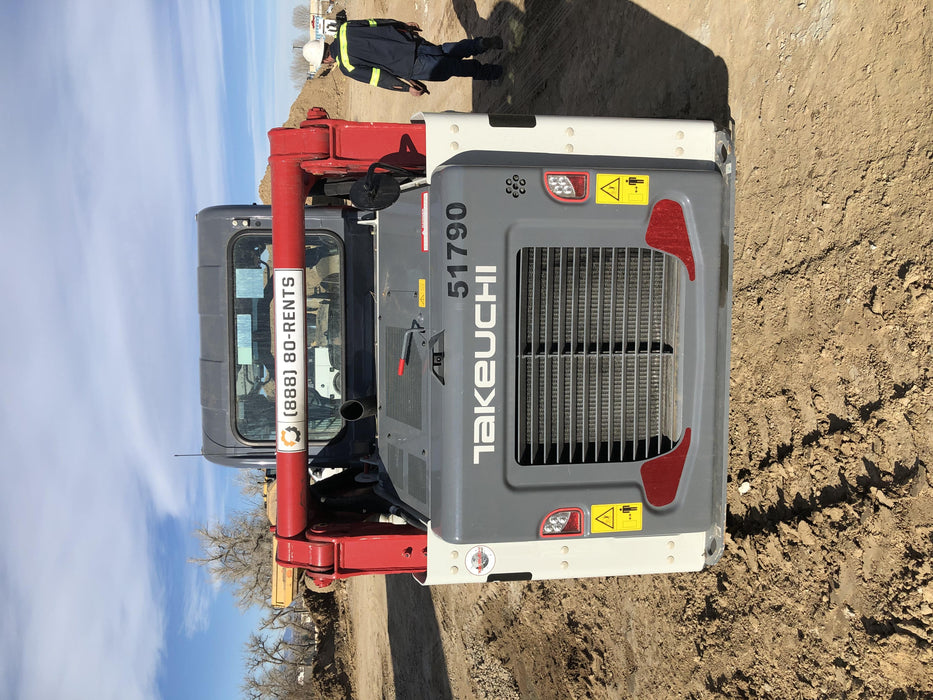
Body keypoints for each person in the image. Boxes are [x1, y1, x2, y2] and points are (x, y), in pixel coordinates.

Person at [303, 18, 503, 96]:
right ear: (325, 44)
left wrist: (407, 88)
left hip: (411, 66)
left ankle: (493, 72)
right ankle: (479, 44)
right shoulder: (346, 28)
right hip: (409, 42)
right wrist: (403, 25)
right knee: (443, 50)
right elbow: (378, 23)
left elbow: (379, 78)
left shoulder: (347, 67)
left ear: (325, 60)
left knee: (450, 67)